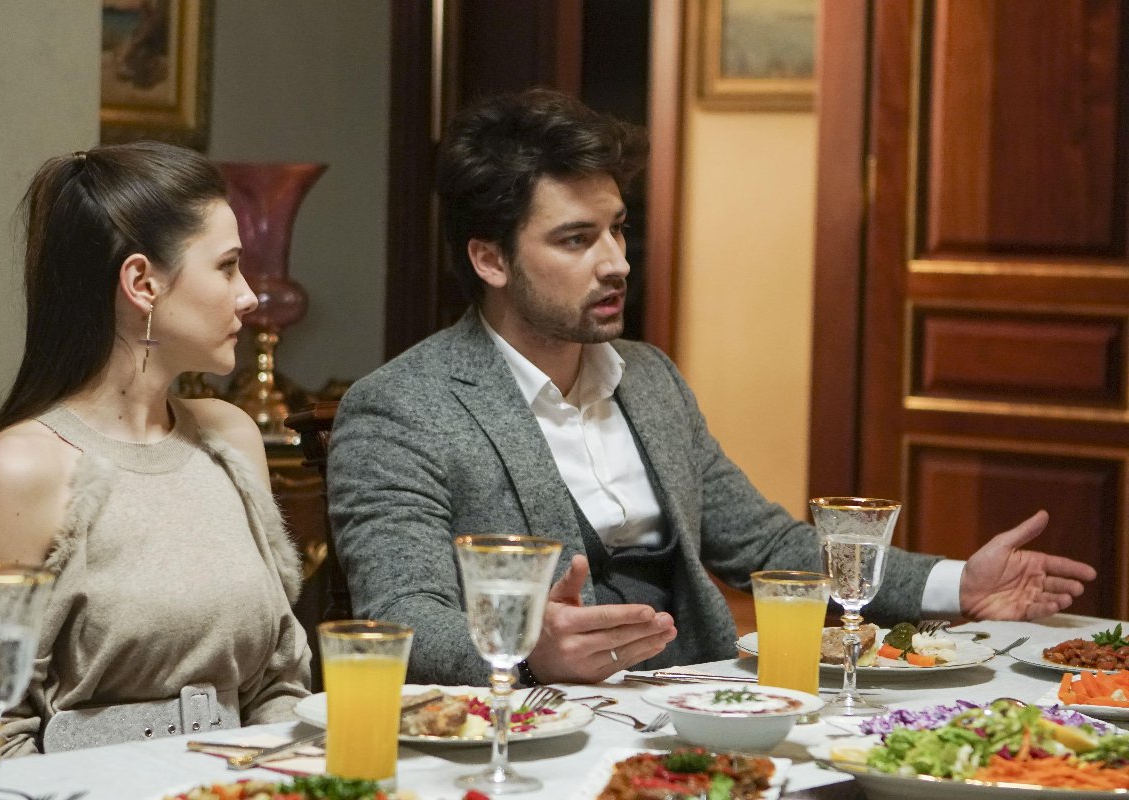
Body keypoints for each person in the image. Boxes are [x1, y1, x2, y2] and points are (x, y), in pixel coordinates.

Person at [327, 89, 1096, 688]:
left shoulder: (649, 377)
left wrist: (958, 582)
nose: (616, 263)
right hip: (531, 732)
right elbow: (402, 618)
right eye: (576, 239)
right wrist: (528, 648)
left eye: (617, 228)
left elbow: (767, 545)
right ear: (491, 260)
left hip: (699, 701)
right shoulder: (402, 408)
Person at [0, 141, 310, 765]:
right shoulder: (21, 471)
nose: (248, 296)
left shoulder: (232, 439)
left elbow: (279, 684)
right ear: (142, 283)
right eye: (227, 267)